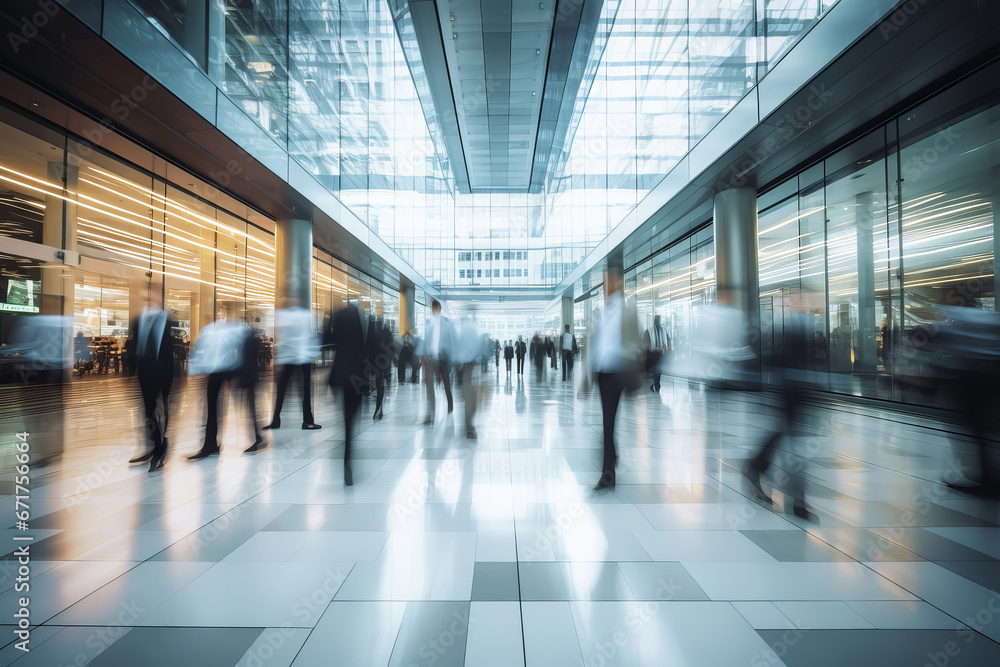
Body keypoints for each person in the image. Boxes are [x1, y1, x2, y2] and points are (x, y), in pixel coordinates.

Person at [590, 267, 641, 490]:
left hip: (620, 373)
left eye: (608, 281)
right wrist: (587, 377)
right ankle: (608, 470)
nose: (604, 286)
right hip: (603, 374)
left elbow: (636, 343)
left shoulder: (628, 311)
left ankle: (609, 466)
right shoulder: (600, 313)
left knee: (610, 422)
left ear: (618, 283)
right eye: (603, 282)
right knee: (608, 423)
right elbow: (595, 345)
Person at [186, 320, 264, 460]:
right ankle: (212, 443)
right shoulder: (219, 330)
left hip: (226, 368)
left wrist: (195, 370)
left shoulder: (213, 330)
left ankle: (212, 444)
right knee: (242, 403)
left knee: (224, 405)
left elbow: (198, 352)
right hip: (224, 368)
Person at [129, 299, 176, 472]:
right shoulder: (138, 320)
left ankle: (161, 444)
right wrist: (131, 369)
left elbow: (169, 347)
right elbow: (134, 345)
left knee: (162, 409)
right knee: (148, 410)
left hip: (164, 372)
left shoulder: (167, 319)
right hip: (145, 372)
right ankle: (156, 446)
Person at [328, 303, 367, 486]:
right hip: (357, 377)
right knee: (352, 420)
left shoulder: (339, 324)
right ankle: (348, 457)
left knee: (346, 421)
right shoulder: (360, 329)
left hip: (340, 376)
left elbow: (328, 339)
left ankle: (346, 459)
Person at [266, 302, 321, 430]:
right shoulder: (304, 315)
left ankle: (276, 420)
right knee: (304, 390)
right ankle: (307, 421)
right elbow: (307, 336)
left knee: (283, 388)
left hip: (290, 356)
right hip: (301, 356)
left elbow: (285, 336)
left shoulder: (285, 315)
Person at [420, 300, 454, 424]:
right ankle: (430, 415)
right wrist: (423, 356)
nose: (436, 311)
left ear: (439, 309)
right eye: (434, 309)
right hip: (430, 359)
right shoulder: (428, 323)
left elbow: (451, 342)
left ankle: (450, 404)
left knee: (446, 385)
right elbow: (425, 341)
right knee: (429, 386)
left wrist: (450, 360)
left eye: (437, 308)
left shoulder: (447, 323)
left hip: (443, 359)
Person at [370, 316, 394, 421]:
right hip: (381, 363)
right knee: (379, 384)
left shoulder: (374, 332)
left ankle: (378, 409)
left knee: (379, 384)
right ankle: (378, 409)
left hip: (378, 363)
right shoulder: (386, 332)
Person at [642, 315, 670, 392]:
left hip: (660, 353)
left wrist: (666, 350)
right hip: (653, 353)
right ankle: (656, 384)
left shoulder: (663, 331)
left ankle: (657, 384)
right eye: (656, 320)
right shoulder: (648, 331)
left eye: (658, 320)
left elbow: (667, 341)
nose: (657, 321)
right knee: (656, 369)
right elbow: (645, 343)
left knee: (658, 369)